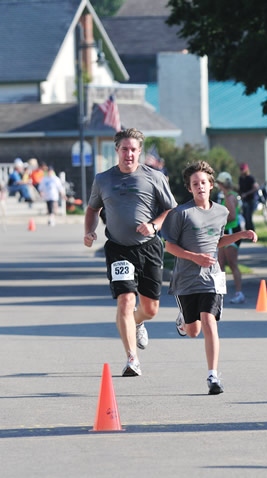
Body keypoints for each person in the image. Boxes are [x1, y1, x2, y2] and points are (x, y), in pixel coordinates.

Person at [84, 127, 177, 377]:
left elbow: (171, 209)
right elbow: (93, 209)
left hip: (149, 248)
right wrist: (90, 231)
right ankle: (131, 358)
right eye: (124, 149)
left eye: (134, 150)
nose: (129, 154)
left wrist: (154, 225)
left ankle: (138, 322)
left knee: (151, 309)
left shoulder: (155, 177)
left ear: (140, 152)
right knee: (126, 301)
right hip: (118, 248)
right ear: (117, 151)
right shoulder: (103, 179)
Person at [161, 161, 257, 395]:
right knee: (193, 331)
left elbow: (218, 239)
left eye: (204, 182)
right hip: (185, 279)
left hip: (212, 278)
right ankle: (183, 321)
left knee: (209, 321)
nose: (200, 186)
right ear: (190, 188)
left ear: (211, 185)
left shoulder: (221, 212)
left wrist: (240, 235)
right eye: (195, 184)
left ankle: (213, 376)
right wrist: (194, 257)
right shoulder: (180, 213)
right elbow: (170, 247)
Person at [215, 171, 247, 304]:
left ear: (221, 184)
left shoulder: (229, 198)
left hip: (231, 231)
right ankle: (219, 293)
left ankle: (239, 293)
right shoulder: (229, 195)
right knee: (220, 264)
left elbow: (232, 216)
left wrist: (217, 221)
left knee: (232, 263)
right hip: (226, 232)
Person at [237, 163, 259, 231]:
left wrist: (246, 194)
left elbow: (256, 187)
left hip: (251, 200)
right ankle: (247, 233)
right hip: (244, 200)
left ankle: (252, 232)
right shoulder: (240, 178)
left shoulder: (250, 178)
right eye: (240, 169)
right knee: (245, 216)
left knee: (248, 216)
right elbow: (240, 189)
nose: (241, 171)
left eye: (242, 169)